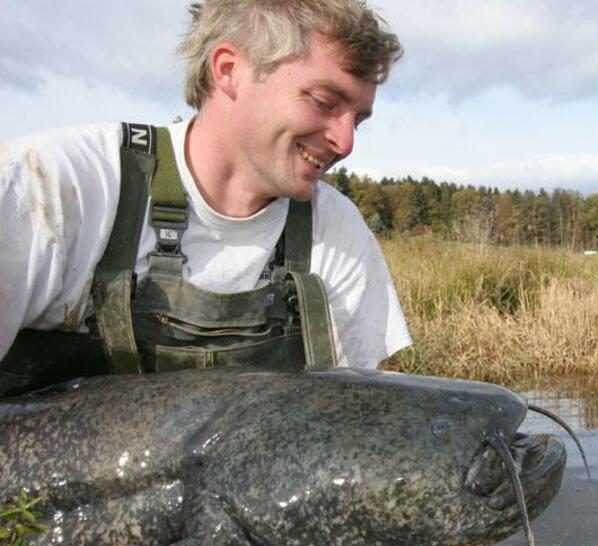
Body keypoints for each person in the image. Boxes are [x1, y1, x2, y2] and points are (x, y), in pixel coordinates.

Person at [0, 0, 411, 396]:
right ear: (229, 70)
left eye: (357, 119)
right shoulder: (52, 184)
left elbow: (350, 416)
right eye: (324, 102)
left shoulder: (336, 231)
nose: (346, 141)